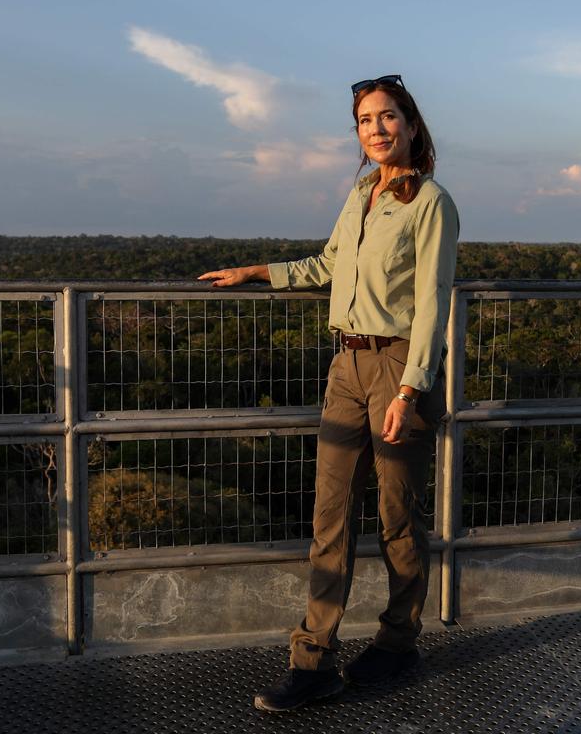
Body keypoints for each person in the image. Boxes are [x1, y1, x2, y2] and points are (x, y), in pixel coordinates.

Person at [198, 74, 459, 712]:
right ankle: (312, 659)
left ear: (412, 125)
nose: (376, 129)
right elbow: (328, 265)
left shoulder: (431, 202)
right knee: (330, 517)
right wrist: (258, 271)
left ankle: (399, 643)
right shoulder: (361, 191)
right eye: (366, 120)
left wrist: (409, 388)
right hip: (346, 366)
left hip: (399, 368)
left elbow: (432, 304)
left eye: (388, 117)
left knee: (398, 519)